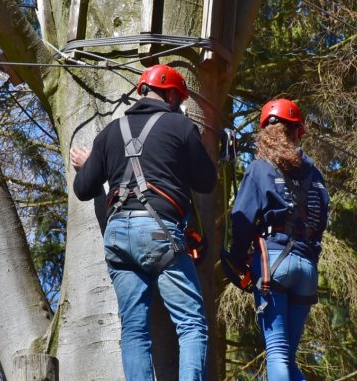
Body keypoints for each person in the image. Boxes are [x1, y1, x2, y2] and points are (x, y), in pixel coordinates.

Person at [71, 64, 216, 380]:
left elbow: (84, 188)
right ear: (174, 95)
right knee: (191, 324)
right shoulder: (180, 126)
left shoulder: (110, 132)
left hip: (118, 236)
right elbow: (206, 182)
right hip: (158, 232)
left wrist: (89, 165)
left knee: (134, 328)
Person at [226, 99, 329, 380]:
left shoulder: (261, 168)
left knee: (277, 352)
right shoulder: (316, 177)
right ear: (297, 132)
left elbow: (242, 217)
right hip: (306, 267)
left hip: (274, 263)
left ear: (265, 132)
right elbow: (321, 222)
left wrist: (236, 257)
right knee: (287, 357)